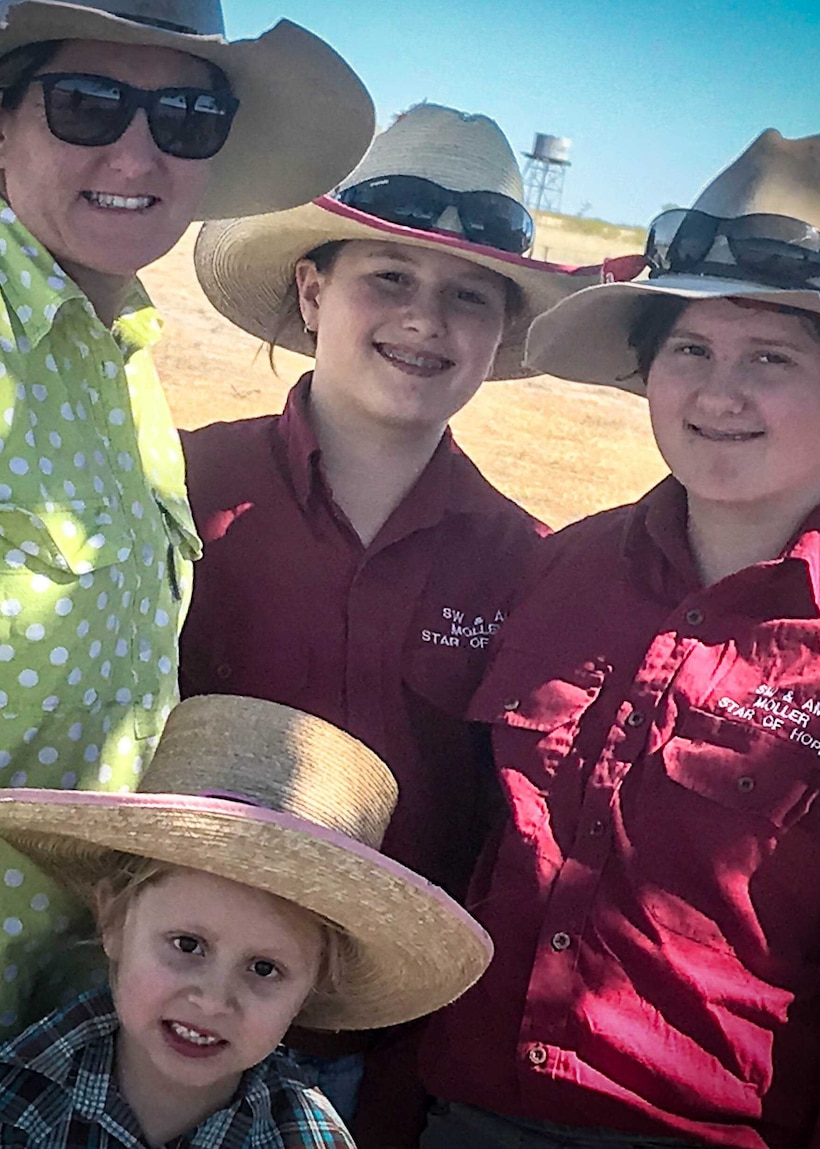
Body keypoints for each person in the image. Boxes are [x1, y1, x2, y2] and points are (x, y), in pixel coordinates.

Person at [419, 129, 820, 1149]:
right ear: (647, 375)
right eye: (691, 351)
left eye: (771, 358)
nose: (719, 393)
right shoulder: (560, 568)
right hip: (461, 1103)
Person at [183, 103, 600, 1138]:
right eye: (389, 278)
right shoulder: (180, 480)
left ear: (501, 334)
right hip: (150, 1007)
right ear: (312, 287)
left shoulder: (529, 563)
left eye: (469, 294)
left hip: (369, 1068)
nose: (427, 320)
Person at [0, 0, 373, 1033]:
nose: (138, 150)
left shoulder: (121, 360)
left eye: (185, 119)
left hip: (52, 1012)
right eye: (85, 104)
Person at [0, 693, 491, 1149]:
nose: (212, 1001)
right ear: (113, 920)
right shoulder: (19, 1095)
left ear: (312, 983)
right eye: (188, 945)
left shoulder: (305, 1137)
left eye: (263, 969)